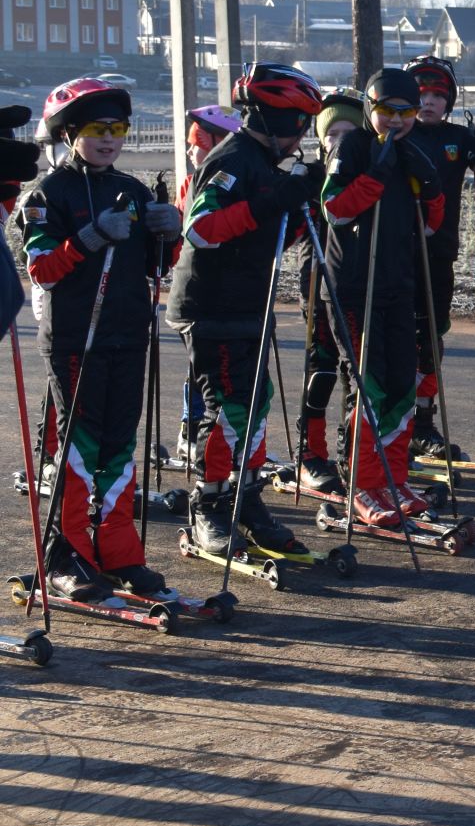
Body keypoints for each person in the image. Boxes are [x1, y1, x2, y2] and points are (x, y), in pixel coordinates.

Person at [19, 79, 182, 599]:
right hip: (75, 339)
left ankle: (117, 552)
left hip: (127, 335)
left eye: (118, 129)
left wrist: (167, 234)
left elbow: (157, 267)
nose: (110, 138)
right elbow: (43, 269)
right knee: (80, 448)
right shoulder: (47, 194)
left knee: (118, 447)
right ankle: (66, 554)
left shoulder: (132, 191)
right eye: (98, 129)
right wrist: (90, 238)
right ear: (70, 133)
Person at [168, 63, 323, 556]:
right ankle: (209, 505)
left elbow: (268, 237)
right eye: (300, 122)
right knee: (230, 408)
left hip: (248, 302)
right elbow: (203, 228)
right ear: (277, 119)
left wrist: (302, 204)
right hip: (211, 306)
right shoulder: (233, 158)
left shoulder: (263, 162)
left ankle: (246, 497)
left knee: (254, 406)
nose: (303, 134)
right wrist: (276, 197)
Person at [318, 69, 446, 526]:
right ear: (370, 109)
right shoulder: (351, 146)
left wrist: (429, 183)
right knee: (368, 384)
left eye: (405, 112)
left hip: (397, 282)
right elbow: (333, 208)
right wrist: (375, 175)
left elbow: (431, 223)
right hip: (354, 286)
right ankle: (362, 483)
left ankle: (394, 476)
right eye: (386, 110)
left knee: (401, 384)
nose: (396, 120)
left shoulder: (411, 150)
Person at [404, 55, 475, 462]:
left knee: (431, 340)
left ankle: (422, 424)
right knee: (393, 342)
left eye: (439, 95)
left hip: (439, 255)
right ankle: (388, 426)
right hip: (391, 256)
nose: (429, 101)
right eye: (421, 93)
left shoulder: (459, 138)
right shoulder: (394, 137)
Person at [290, 89, 363, 497]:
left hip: (361, 285)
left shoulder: (368, 170)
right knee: (321, 369)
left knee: (359, 373)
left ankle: (355, 455)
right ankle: (309, 455)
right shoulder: (312, 177)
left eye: (350, 131)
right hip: (317, 282)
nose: (340, 140)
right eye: (332, 132)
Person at [171, 102, 241, 467]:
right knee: (200, 370)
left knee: (219, 373)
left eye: (197, 143)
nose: (190, 150)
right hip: (198, 290)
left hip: (230, 290)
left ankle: (214, 435)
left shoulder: (236, 177)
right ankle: (191, 429)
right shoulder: (193, 182)